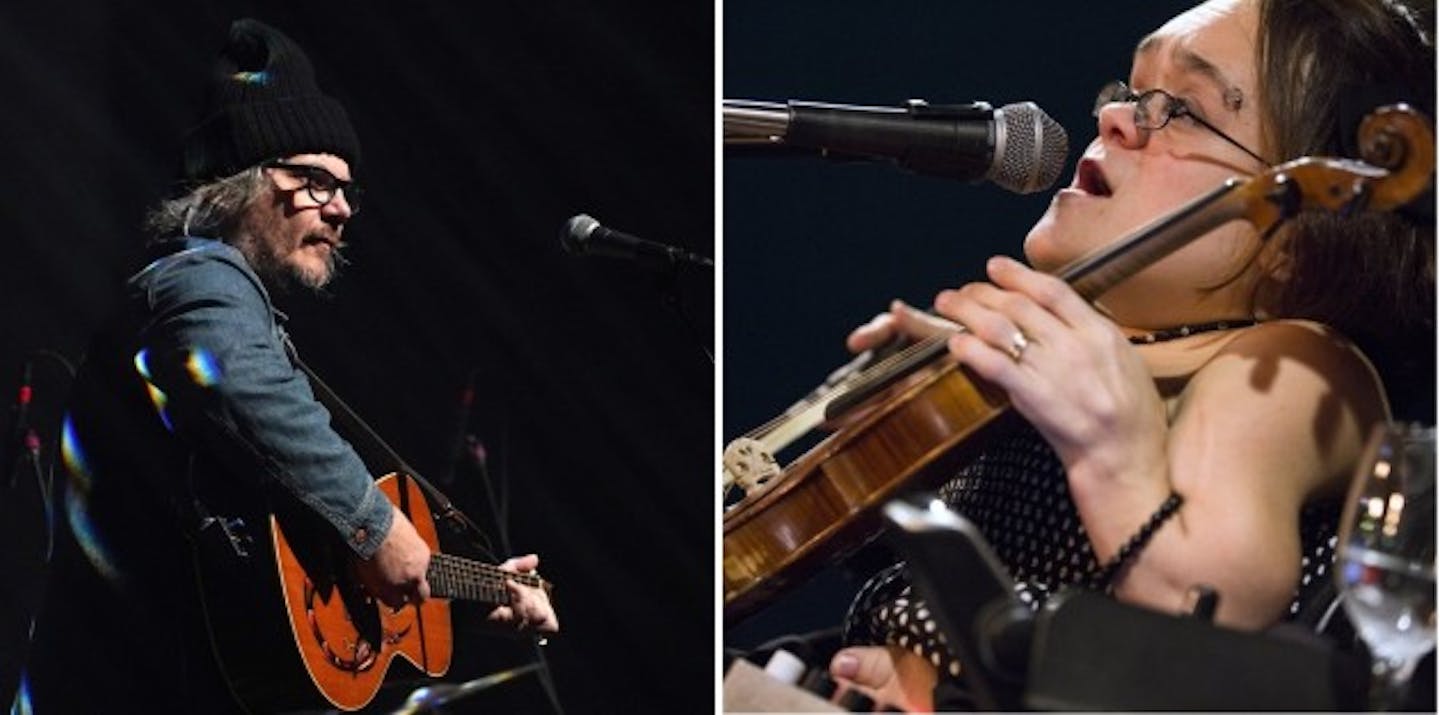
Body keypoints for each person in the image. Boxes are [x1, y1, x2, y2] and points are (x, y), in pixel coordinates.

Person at [817, 0, 1434, 709]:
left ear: (1297, 237)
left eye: (1186, 110)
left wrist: (1112, 451)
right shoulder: (1088, 351)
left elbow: (1202, 610)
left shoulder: (1287, 363)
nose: (1117, 119)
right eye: (1134, 92)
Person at [24, 19, 556, 713]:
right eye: (313, 181)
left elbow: (293, 581)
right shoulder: (202, 278)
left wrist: (470, 594)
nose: (340, 209)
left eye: (346, 189)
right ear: (242, 185)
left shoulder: (235, 306)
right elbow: (241, 384)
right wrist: (376, 524)